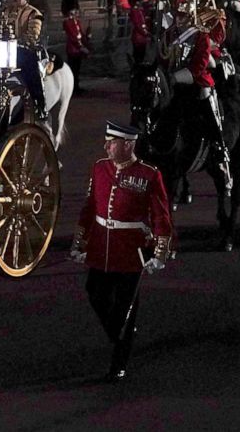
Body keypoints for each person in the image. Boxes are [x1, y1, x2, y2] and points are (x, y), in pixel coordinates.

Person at [69, 121, 173, 382]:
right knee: (95, 292)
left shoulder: (149, 174)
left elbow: (161, 216)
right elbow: (89, 208)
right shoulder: (99, 168)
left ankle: (119, 362)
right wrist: (80, 242)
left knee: (126, 308)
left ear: (128, 145)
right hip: (102, 245)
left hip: (131, 249)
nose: (106, 146)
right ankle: (121, 334)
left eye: (112, 142)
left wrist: (160, 252)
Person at [168, 0, 233, 188]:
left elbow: (199, 67)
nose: (180, 20)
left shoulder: (201, 36)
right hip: (175, 81)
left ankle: (219, 146)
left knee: (206, 98)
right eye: (178, 16)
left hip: (197, 80)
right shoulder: (171, 34)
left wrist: (175, 77)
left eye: (184, 17)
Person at [0, 0, 46, 120]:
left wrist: (14, 43)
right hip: (3, 51)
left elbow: (32, 37)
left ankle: (39, 103)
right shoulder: (5, 11)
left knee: (29, 66)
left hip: (23, 51)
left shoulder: (33, 13)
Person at [61, 0, 90, 94]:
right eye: (73, 9)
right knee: (73, 70)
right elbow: (73, 37)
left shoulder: (75, 21)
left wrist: (86, 39)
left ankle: (76, 87)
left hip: (77, 49)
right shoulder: (67, 22)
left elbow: (79, 34)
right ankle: (72, 88)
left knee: (77, 69)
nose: (75, 11)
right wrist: (81, 47)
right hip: (73, 49)